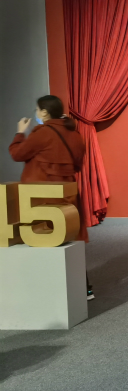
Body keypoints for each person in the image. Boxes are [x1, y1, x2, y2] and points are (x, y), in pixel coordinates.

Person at [9, 95, 91, 294]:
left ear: (44, 112)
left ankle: (48, 289)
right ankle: (83, 288)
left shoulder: (43, 133)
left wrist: (20, 133)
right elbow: (78, 164)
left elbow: (17, 154)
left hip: (42, 194)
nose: (37, 113)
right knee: (70, 237)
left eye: (38, 110)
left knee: (43, 237)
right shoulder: (74, 134)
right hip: (68, 192)